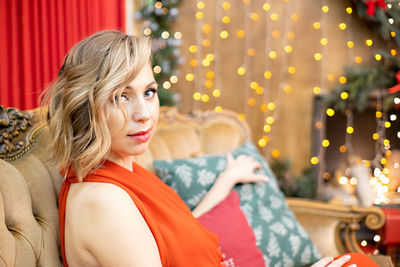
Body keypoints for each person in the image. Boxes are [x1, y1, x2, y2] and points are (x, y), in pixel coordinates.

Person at [44, 30, 368, 267]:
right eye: (121, 97)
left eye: (149, 92)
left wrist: (224, 182)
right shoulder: (102, 201)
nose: (143, 114)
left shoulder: (122, 170)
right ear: (86, 106)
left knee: (356, 262)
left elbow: (176, 236)